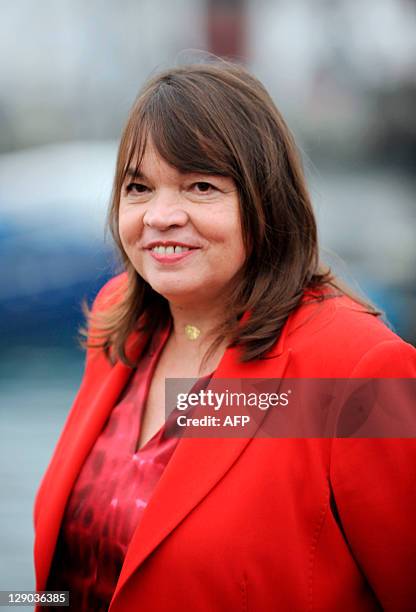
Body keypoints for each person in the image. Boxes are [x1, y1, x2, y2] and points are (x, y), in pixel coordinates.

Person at [33, 61, 416, 611]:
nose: (161, 215)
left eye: (201, 186)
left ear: (266, 203)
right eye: (138, 187)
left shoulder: (356, 368)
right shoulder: (118, 316)